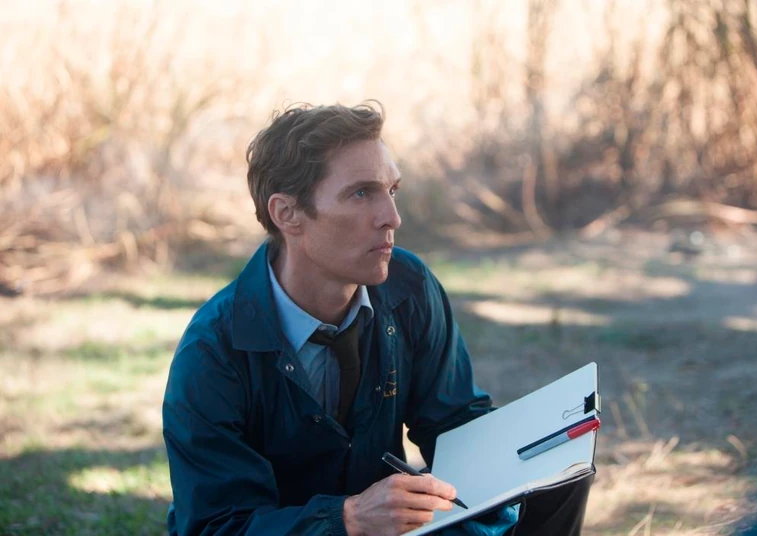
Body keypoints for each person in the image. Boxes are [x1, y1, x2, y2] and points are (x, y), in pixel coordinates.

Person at [162, 102, 593, 536]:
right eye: (361, 194)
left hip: (392, 529)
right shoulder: (213, 350)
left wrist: (539, 446)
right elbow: (216, 526)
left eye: (392, 190)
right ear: (287, 214)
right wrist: (347, 518)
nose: (392, 217)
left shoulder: (409, 287)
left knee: (560, 481)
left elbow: (453, 422)